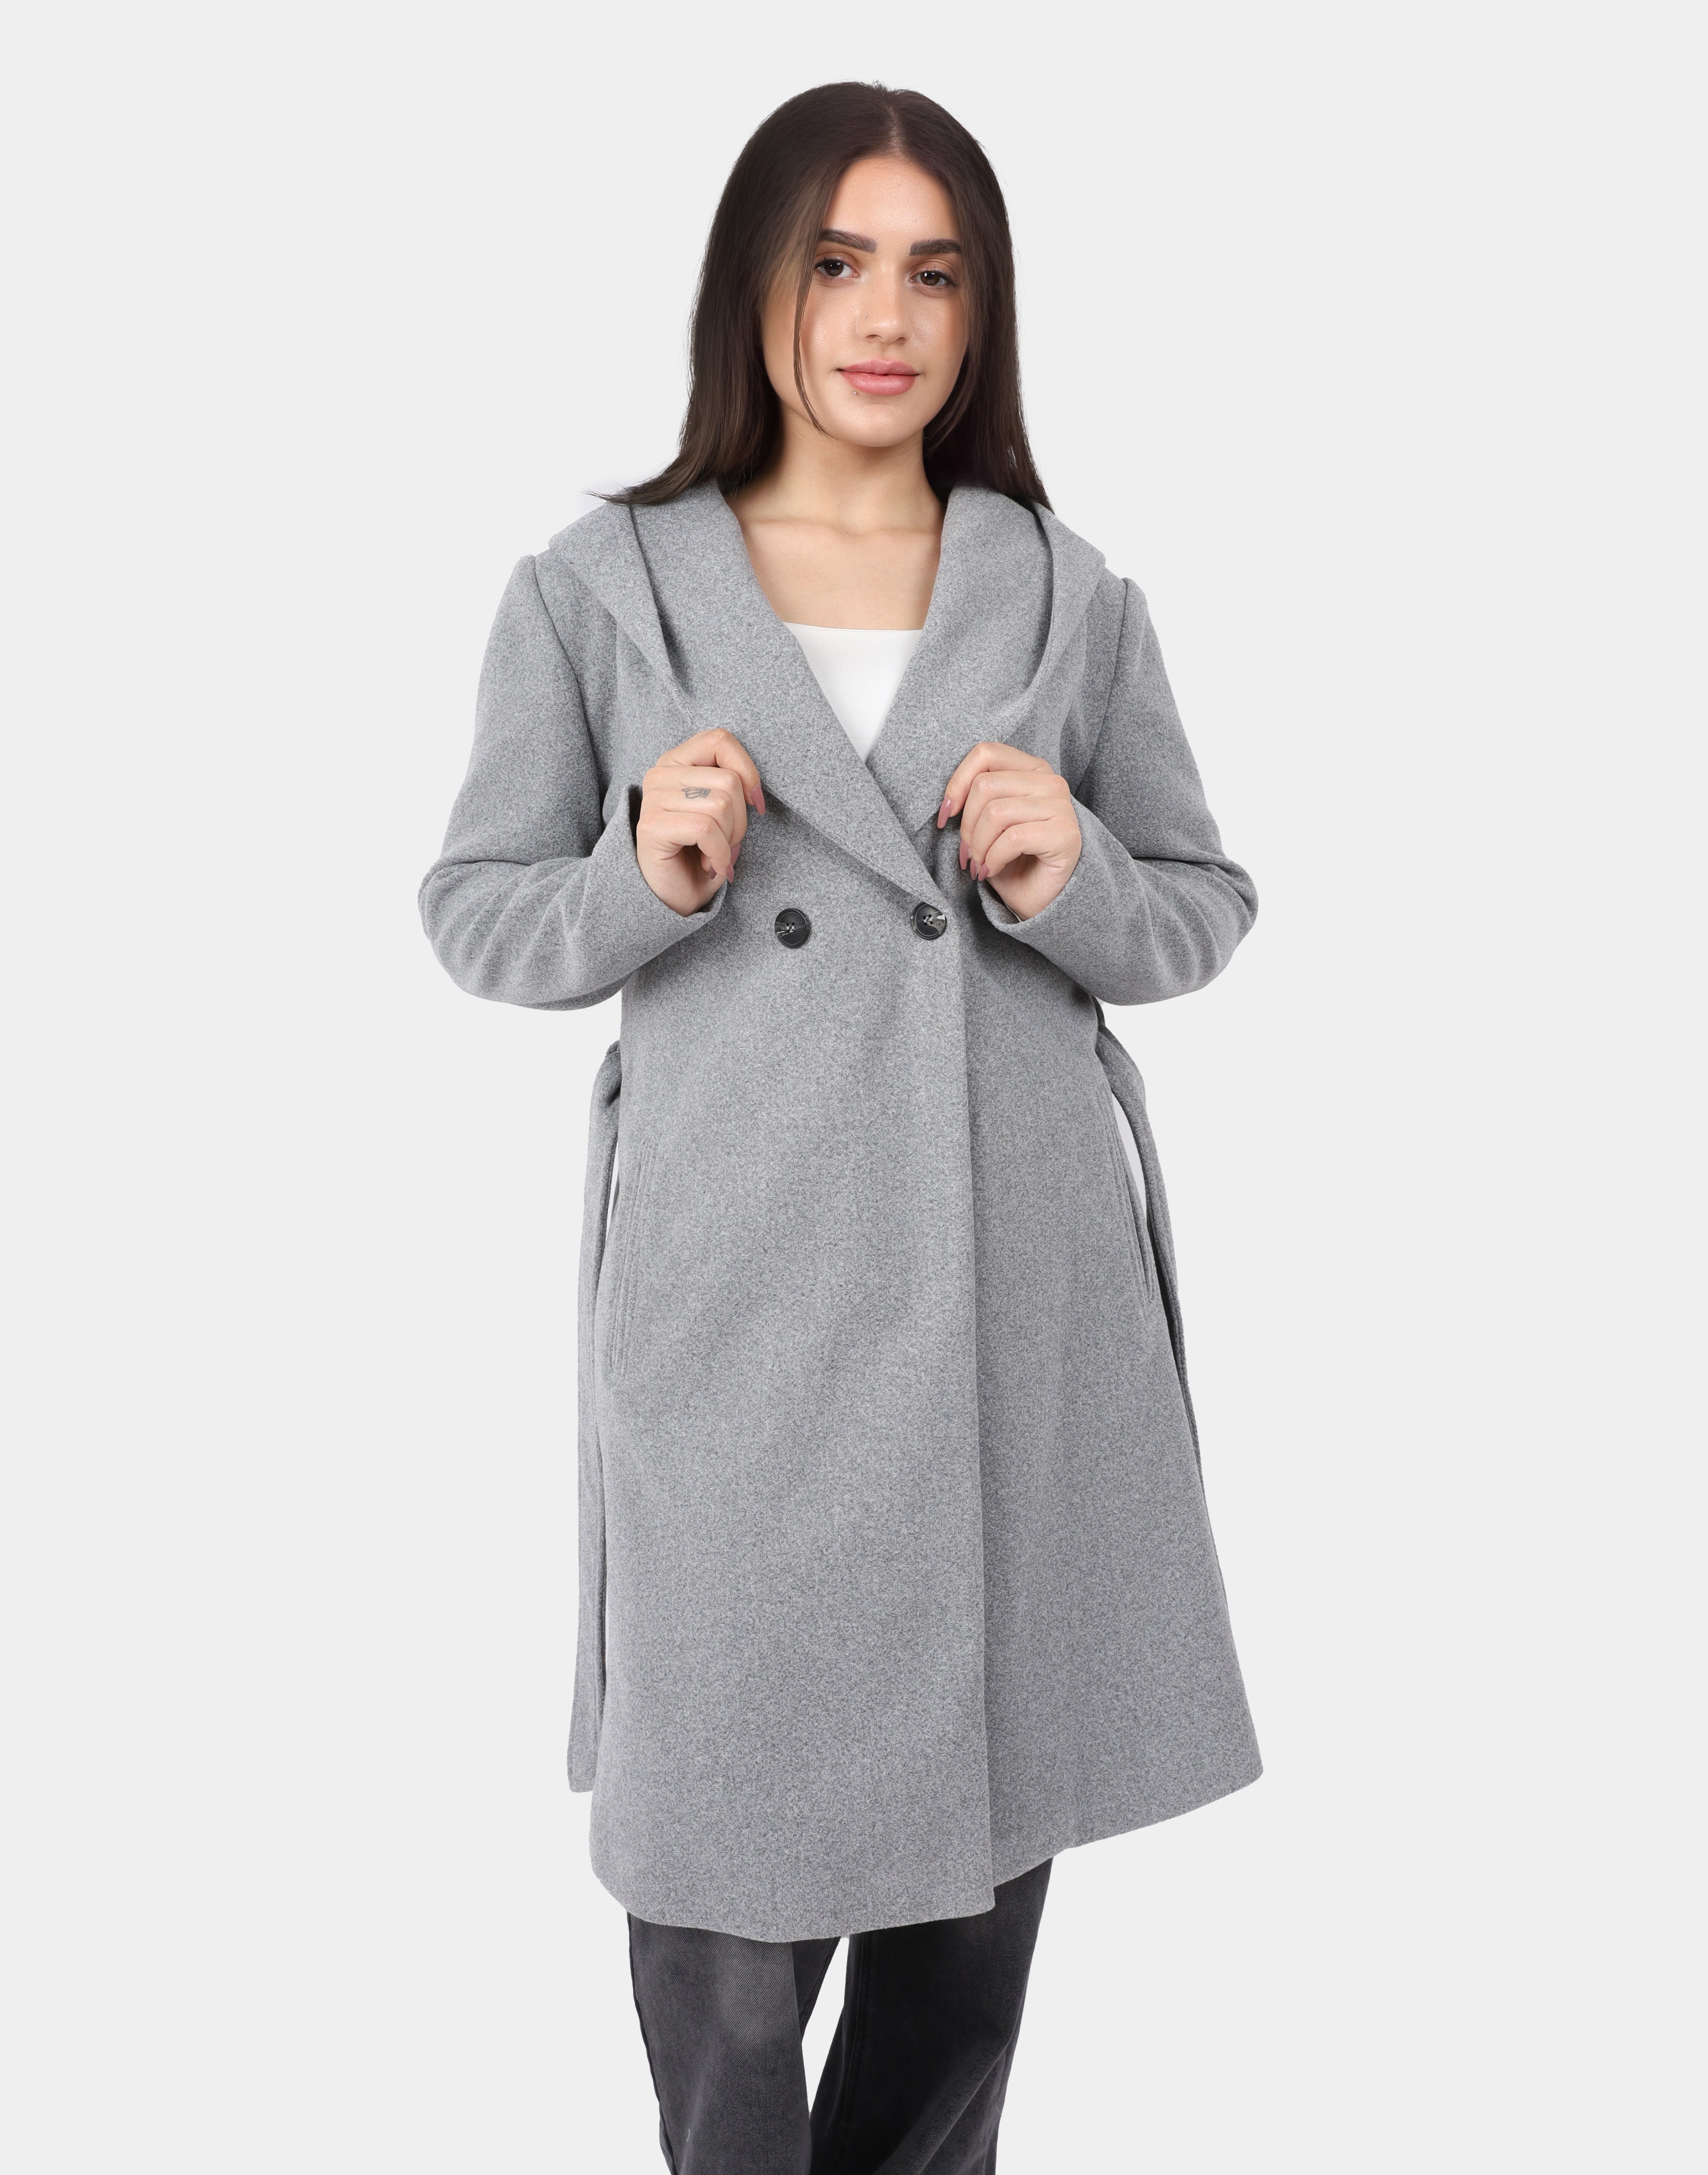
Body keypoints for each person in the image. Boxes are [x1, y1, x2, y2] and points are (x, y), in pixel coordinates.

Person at [419, 79, 1262, 2175]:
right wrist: (639, 870)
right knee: (718, 1944)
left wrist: (1077, 871)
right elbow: (476, 910)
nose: (884, 317)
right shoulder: (601, 588)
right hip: (738, 1310)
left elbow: (1198, 910)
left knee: (964, 1965)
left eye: (934, 273)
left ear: (981, 314)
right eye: (835, 263)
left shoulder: (1065, 593)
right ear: (754, 289)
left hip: (1008, 1310)